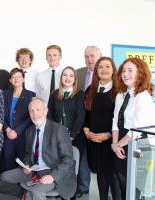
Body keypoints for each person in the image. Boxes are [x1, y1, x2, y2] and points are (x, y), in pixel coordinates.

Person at [1, 97, 76, 200]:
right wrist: (27, 164)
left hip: (53, 172)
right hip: (34, 170)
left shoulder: (59, 129)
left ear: (46, 111)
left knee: (36, 191)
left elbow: (68, 160)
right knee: (5, 177)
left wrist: (52, 176)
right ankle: (21, 196)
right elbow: (28, 154)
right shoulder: (30, 131)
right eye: (31, 111)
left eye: (38, 109)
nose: (34, 113)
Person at [111, 57, 155, 200]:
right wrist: (114, 143)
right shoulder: (121, 95)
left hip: (137, 144)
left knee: (132, 188)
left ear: (140, 74)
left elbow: (136, 129)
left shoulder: (143, 96)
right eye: (124, 71)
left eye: (130, 70)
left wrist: (118, 145)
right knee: (118, 184)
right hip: (121, 142)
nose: (125, 74)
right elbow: (115, 121)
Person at [84, 57, 120, 200]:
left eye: (107, 66)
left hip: (111, 142)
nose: (104, 70)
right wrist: (87, 132)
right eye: (100, 67)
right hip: (93, 140)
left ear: (113, 70)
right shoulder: (90, 90)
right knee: (100, 175)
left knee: (114, 177)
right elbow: (85, 115)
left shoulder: (119, 91)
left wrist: (108, 135)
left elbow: (120, 120)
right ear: (96, 71)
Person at [76, 45, 102, 197]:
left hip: (100, 123)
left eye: (92, 56)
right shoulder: (78, 73)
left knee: (102, 159)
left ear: (99, 56)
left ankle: (107, 191)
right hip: (81, 122)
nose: (89, 59)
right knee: (83, 157)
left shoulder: (107, 73)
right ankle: (84, 188)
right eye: (86, 56)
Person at [2, 68, 36, 171]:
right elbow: (0, 115)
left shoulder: (31, 95)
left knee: (23, 165)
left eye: (19, 77)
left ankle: (21, 187)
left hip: (23, 135)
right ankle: (9, 187)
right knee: (8, 163)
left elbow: (32, 116)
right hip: (8, 135)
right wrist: (7, 129)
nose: (16, 79)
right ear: (10, 80)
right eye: (13, 77)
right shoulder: (4, 94)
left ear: (23, 79)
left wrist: (17, 131)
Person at [47, 66, 85, 152]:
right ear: (61, 78)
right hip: (57, 135)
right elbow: (49, 115)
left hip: (75, 136)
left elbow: (80, 117)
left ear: (75, 79)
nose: (68, 78)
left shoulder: (80, 94)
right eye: (65, 75)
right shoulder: (54, 93)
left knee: (73, 163)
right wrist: (55, 132)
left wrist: (71, 136)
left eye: (71, 76)